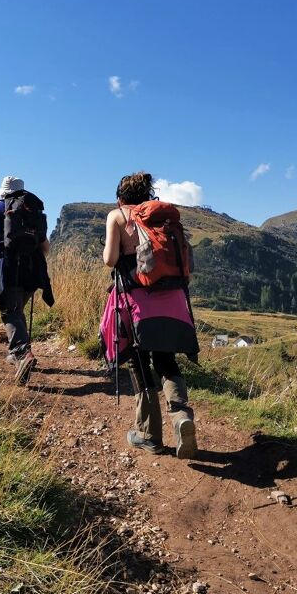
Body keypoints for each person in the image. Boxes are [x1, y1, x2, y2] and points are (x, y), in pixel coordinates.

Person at [103, 171, 198, 459]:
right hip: (173, 300)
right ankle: (181, 416)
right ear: (148, 195)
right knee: (167, 360)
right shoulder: (165, 219)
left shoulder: (117, 216)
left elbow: (110, 259)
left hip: (138, 303)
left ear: (120, 196)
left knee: (140, 363)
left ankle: (149, 435)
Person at [0, 175, 54, 384]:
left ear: (2, 191)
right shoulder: (32, 210)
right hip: (32, 267)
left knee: (11, 311)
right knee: (17, 310)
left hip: (7, 265)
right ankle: (15, 353)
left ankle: (21, 354)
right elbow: (45, 248)